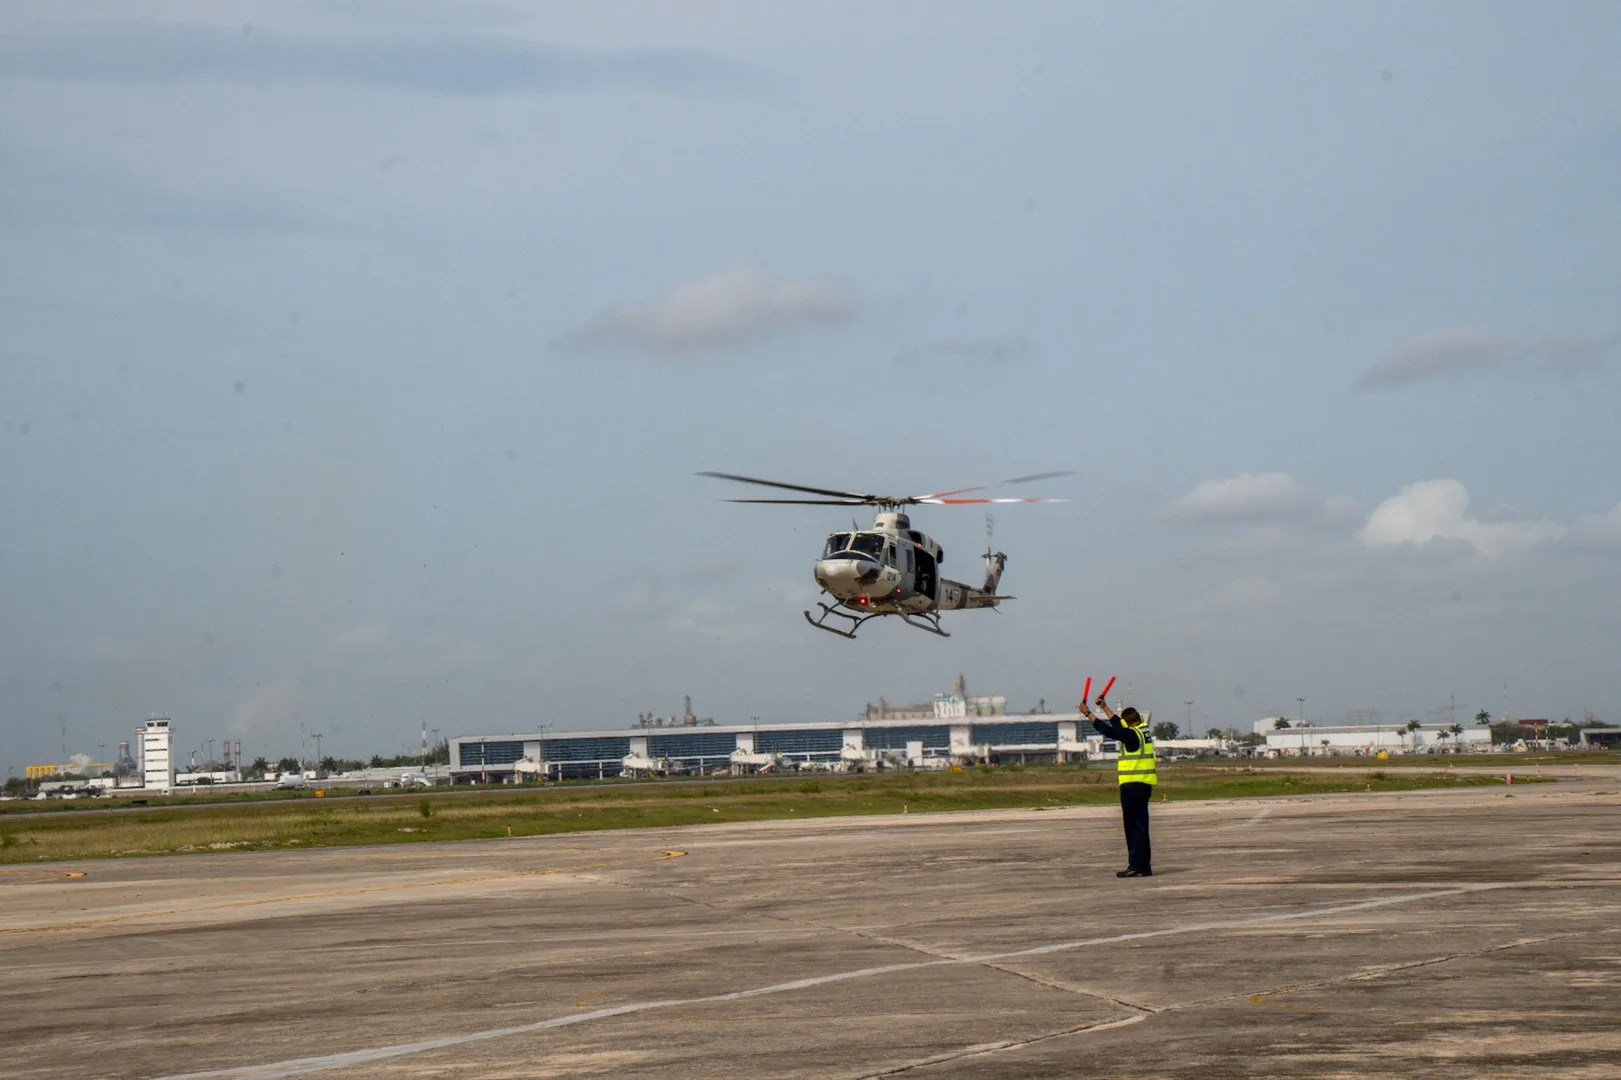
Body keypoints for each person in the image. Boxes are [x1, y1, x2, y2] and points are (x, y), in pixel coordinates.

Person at [1084, 692, 1155, 877]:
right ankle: (1144, 866)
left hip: (1132, 786)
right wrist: (1104, 707)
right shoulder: (1143, 731)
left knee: (1133, 828)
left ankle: (1136, 866)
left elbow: (1109, 730)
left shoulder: (1131, 736)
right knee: (1141, 827)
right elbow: (1118, 724)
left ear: (1128, 723)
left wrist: (1088, 714)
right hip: (1144, 785)